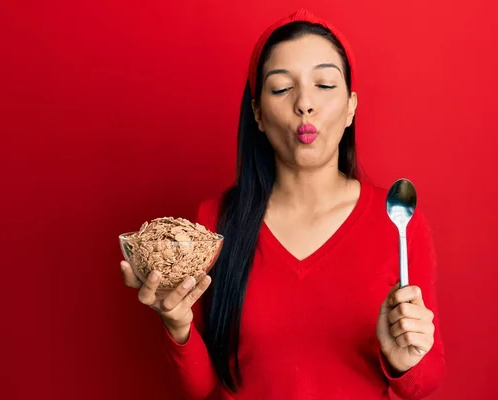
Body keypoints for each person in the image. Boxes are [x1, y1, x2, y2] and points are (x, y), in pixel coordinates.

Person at [120, 8, 446, 400]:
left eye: (325, 84)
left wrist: (402, 361)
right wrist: (177, 327)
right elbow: (205, 388)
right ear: (257, 113)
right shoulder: (213, 224)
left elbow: (424, 384)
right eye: (280, 89)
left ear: (351, 107)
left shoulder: (397, 221)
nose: (304, 104)